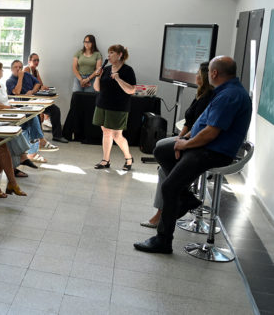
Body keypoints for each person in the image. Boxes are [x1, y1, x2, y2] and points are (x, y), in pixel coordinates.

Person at [134, 56, 251, 254]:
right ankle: (186, 197)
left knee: (170, 187)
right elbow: (202, 124)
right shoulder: (225, 91)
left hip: (214, 151)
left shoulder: (229, 96)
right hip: (204, 145)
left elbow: (211, 133)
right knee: (162, 149)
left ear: (214, 73)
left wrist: (186, 144)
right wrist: (184, 139)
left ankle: (163, 241)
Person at [141, 61, 215, 228]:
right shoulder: (199, 95)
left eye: (198, 73)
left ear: (204, 77)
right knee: (162, 149)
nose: (195, 76)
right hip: (188, 137)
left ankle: (162, 214)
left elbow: (200, 128)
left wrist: (182, 143)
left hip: (196, 142)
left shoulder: (209, 98)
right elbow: (189, 122)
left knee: (163, 170)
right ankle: (182, 197)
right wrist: (179, 138)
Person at [0, 60, 54, 163]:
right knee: (29, 117)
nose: (2, 71)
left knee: (31, 116)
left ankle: (32, 149)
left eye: (20, 67)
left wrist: (13, 106)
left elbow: (37, 83)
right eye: (1, 69)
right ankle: (34, 147)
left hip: (7, 112)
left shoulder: (0, 83)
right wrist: (11, 108)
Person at [91, 44, 136, 171]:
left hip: (118, 107)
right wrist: (98, 76)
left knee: (117, 135)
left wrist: (118, 79)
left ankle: (128, 158)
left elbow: (132, 90)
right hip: (102, 104)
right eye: (109, 53)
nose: (109, 56)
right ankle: (105, 160)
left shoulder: (127, 70)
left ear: (120, 54)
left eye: (112, 53)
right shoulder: (106, 69)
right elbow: (97, 88)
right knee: (106, 132)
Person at [7, 59, 67, 144]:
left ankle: (57, 136)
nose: (18, 69)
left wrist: (32, 91)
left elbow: (37, 83)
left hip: (35, 101)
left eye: (20, 67)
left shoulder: (27, 75)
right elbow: (17, 92)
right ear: (11, 69)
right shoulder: (9, 81)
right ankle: (39, 139)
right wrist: (20, 78)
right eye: (16, 67)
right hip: (22, 104)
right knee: (36, 113)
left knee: (55, 109)